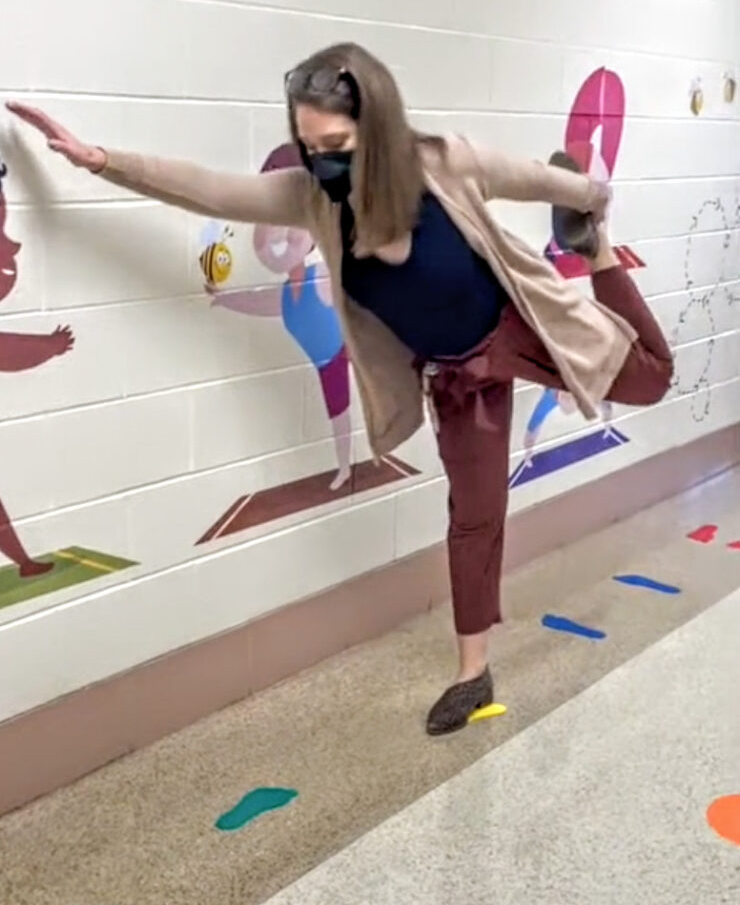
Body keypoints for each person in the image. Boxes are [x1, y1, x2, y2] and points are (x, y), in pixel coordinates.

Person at [6, 41, 673, 736]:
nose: (321, 159)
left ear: (377, 129)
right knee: (475, 515)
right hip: (457, 375)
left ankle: (595, 253)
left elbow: (537, 178)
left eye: (336, 143)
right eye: (307, 142)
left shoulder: (443, 161)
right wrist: (103, 160)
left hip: (520, 324)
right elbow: (209, 187)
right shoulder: (313, 200)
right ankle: (472, 674)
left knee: (651, 379)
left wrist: (592, 201)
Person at [208, 143, 352, 491]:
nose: (277, 235)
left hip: (341, 354)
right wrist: (223, 299)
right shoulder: (290, 294)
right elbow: (260, 303)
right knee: (339, 412)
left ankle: (347, 466)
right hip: (325, 359)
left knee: (343, 411)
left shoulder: (325, 280)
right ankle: (346, 465)